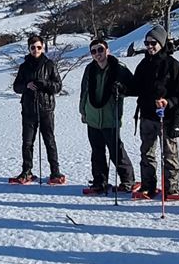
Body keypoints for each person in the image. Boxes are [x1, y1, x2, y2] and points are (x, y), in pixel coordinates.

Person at [127, 24, 179, 200]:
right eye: (147, 43)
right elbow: (135, 87)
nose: (150, 46)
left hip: (167, 118)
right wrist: (122, 87)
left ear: (162, 43)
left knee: (170, 155)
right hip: (147, 116)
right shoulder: (144, 64)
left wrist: (174, 118)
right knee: (147, 153)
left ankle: (172, 188)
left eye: (153, 43)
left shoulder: (173, 65)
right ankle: (148, 186)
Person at [77, 37, 137, 193]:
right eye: (94, 51)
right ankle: (99, 181)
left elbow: (134, 88)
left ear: (107, 50)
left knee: (116, 151)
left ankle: (128, 180)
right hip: (93, 117)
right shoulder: (89, 69)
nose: (97, 54)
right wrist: (83, 111)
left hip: (110, 117)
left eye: (100, 50)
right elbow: (84, 92)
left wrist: (121, 89)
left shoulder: (119, 68)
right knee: (97, 152)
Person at [10, 34, 65, 184]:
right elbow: (16, 87)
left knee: (49, 141)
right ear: (29, 48)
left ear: (43, 48)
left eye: (39, 47)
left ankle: (55, 172)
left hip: (46, 109)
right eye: (33, 47)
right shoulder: (24, 66)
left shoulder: (49, 65)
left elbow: (58, 86)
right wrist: (26, 86)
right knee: (27, 142)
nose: (36, 50)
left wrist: (45, 84)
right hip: (28, 109)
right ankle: (26, 170)